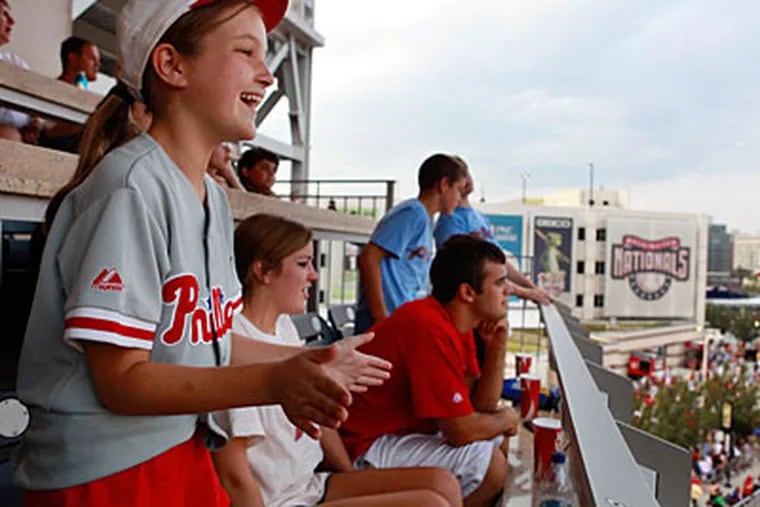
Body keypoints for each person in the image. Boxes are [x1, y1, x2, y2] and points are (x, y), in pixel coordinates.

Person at [15, 2, 391, 506]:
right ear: (172, 66)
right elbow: (122, 383)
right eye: (246, 52)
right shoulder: (131, 188)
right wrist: (273, 382)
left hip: (178, 444)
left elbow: (208, 342)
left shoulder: (211, 196)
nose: (266, 74)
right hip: (103, 470)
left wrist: (308, 360)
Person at [213, 213, 462, 507]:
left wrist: (350, 476)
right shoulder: (233, 343)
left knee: (442, 482)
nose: (314, 275)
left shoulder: (284, 328)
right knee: (428, 505)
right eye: (303, 264)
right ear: (263, 271)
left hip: (311, 484)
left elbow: (321, 414)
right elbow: (233, 474)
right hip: (278, 501)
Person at [341, 235, 521, 507]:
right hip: (362, 443)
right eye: (498, 283)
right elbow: (459, 431)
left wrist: (497, 347)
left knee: (494, 440)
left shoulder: (457, 323)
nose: (508, 290)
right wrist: (507, 418)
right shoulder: (428, 326)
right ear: (468, 293)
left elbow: (480, 407)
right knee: (491, 464)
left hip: (396, 433)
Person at [354, 153, 467, 333]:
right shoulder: (413, 213)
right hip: (386, 324)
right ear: (444, 184)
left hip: (401, 320)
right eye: (459, 190)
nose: (460, 199)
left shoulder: (425, 220)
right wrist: (381, 318)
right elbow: (369, 257)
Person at [38, 36, 101, 153]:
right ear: (72, 58)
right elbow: (46, 130)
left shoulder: (85, 91)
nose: (97, 65)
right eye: (92, 59)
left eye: (98, 60)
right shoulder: (52, 89)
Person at [0, 0, 39, 143]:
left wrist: (34, 124)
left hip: (20, 137)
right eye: (4, 14)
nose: (12, 21)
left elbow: (36, 102)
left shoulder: (16, 63)